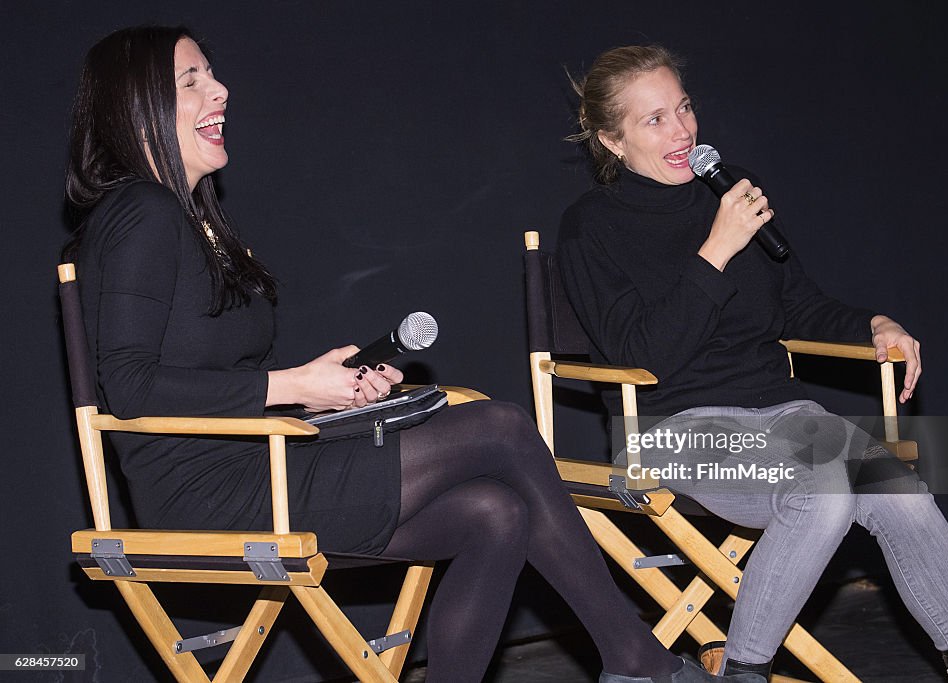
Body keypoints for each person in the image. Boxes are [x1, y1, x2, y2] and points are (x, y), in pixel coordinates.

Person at [62, 26, 763, 683]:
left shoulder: (187, 222)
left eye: (213, 76)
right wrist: (289, 384)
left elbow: (206, 375)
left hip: (257, 459)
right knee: (502, 425)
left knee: (495, 512)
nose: (220, 92)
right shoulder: (142, 214)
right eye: (192, 82)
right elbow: (128, 386)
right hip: (210, 490)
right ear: (139, 104)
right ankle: (635, 655)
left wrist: (321, 387)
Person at [558, 45, 948, 682]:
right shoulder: (592, 228)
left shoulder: (731, 192)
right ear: (611, 140)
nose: (684, 130)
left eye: (684, 107)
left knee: (896, 489)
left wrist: (873, 323)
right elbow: (644, 357)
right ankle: (744, 670)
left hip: (781, 414)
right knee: (825, 488)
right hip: (671, 428)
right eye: (654, 119)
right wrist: (716, 248)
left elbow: (798, 305)